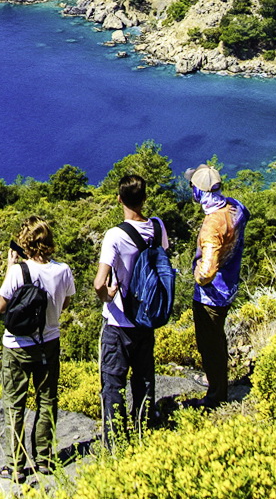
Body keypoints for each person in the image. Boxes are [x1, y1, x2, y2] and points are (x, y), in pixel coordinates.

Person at [0, 216, 76, 482]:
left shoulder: (18, 272)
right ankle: (44, 458)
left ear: (25, 243)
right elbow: (65, 304)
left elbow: (1, 306)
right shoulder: (63, 270)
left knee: (14, 404)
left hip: (17, 346)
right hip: (49, 343)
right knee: (47, 399)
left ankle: (15, 465)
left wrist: (10, 267)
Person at [93, 174, 169, 448]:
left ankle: (115, 442)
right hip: (147, 317)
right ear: (144, 198)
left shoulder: (115, 235)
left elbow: (99, 283)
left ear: (119, 199)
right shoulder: (158, 226)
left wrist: (107, 296)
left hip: (119, 321)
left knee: (113, 382)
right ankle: (144, 430)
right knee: (144, 377)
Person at [184, 162, 250, 408]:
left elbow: (207, 273)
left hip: (212, 295)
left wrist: (195, 273)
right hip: (231, 283)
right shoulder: (235, 206)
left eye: (193, 187)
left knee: (209, 344)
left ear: (199, 191)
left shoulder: (212, 225)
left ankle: (216, 396)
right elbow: (245, 216)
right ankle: (216, 379)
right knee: (217, 337)